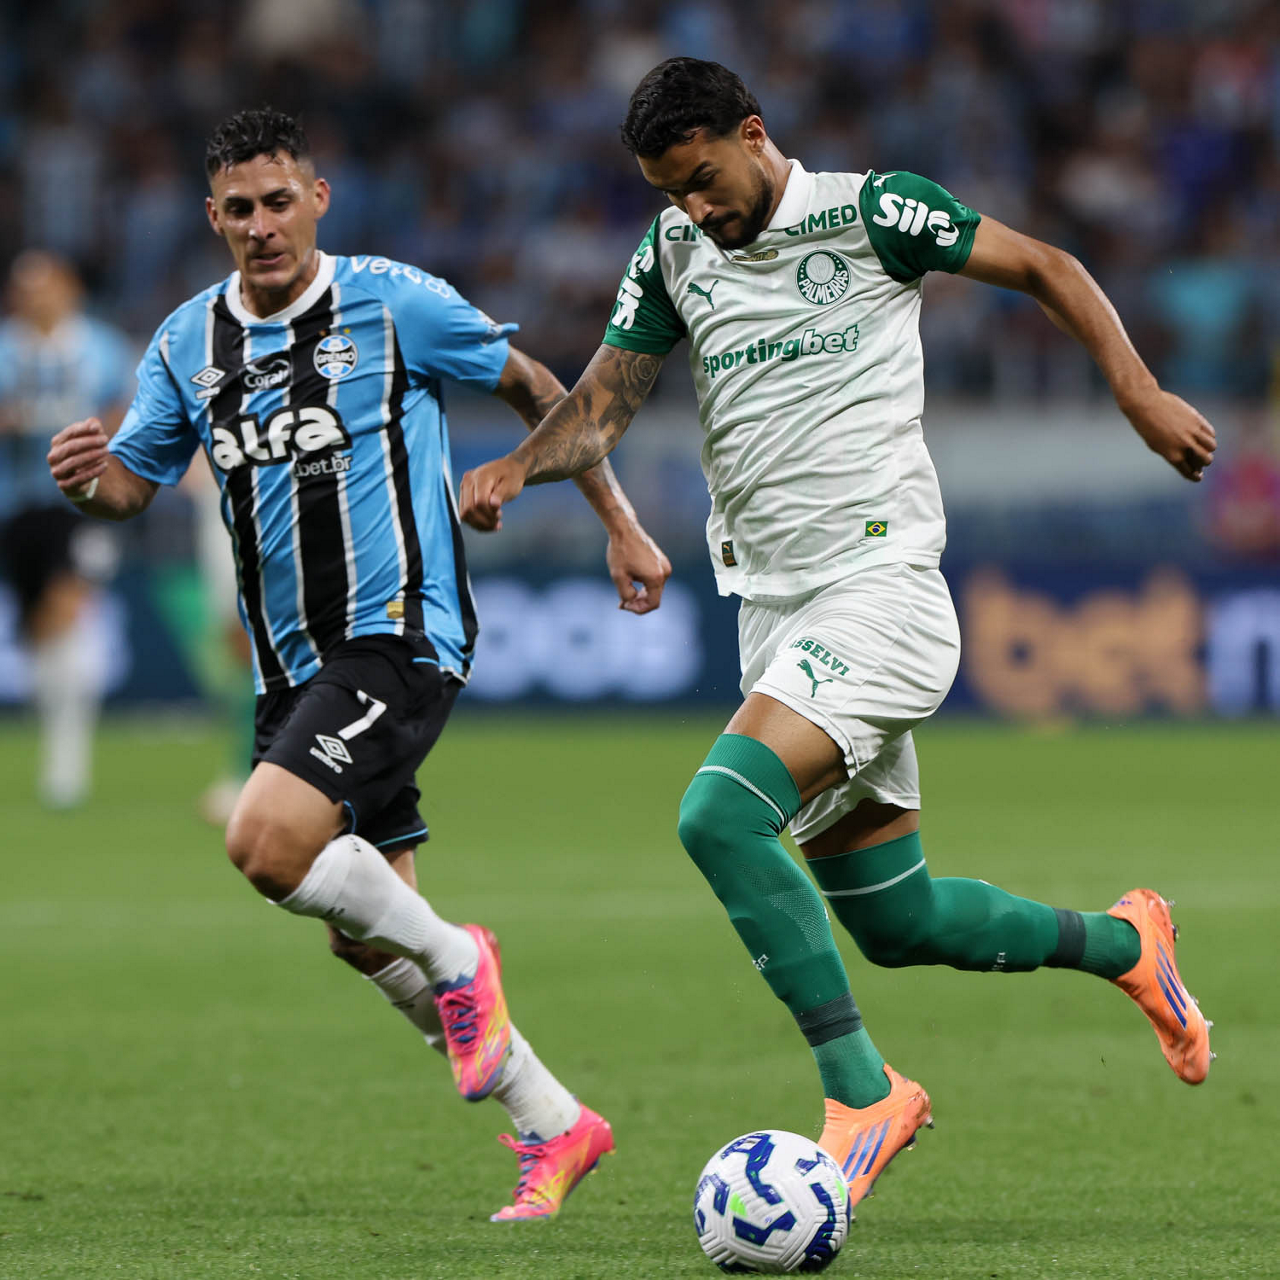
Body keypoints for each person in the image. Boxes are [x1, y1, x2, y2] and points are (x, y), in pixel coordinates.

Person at [458, 58, 1218, 1211]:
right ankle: (1126, 945)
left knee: (718, 814)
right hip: (773, 610)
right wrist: (520, 463)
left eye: (702, 179)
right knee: (896, 919)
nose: (692, 208)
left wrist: (1136, 392)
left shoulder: (872, 212)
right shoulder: (673, 253)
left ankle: (863, 1091)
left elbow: (1046, 266)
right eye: (668, 192)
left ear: (752, 134)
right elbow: (604, 401)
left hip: (880, 591)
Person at [46, 107, 672, 1222]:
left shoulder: (393, 303)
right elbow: (133, 484)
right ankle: (555, 1121)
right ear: (211, 218)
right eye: (239, 209)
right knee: (362, 933)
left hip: (398, 632)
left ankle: (464, 956)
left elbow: (540, 388)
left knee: (263, 841)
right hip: (290, 667)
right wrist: (87, 482)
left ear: (317, 200)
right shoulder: (187, 341)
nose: (261, 226)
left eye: (279, 202)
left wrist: (618, 526)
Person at [0, 250, 133, 808]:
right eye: (25, 289)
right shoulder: (6, 349)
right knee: (37, 628)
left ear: (70, 288)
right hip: (19, 504)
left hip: (84, 504)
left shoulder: (101, 346)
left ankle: (67, 765)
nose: (36, 299)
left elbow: (127, 412)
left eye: (45, 286)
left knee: (66, 605)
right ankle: (56, 745)